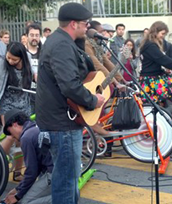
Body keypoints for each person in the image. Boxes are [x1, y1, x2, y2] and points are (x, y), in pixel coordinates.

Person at [35, 3, 105, 204]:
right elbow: (70, 86)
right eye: (85, 23)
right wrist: (93, 100)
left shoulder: (63, 42)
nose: (88, 26)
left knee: (69, 177)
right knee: (66, 180)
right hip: (62, 123)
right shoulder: (61, 45)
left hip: (62, 120)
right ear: (73, 24)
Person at [139, 21, 172, 115]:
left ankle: (170, 108)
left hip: (152, 77)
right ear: (155, 32)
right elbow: (163, 59)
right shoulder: (150, 45)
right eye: (162, 33)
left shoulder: (148, 43)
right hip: (151, 80)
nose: (163, 36)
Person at [2, 109, 53, 204]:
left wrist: (17, 196)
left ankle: (65, 197)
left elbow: (31, 172)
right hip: (61, 170)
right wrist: (18, 189)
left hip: (54, 174)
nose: (12, 136)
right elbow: (37, 168)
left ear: (15, 124)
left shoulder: (26, 137)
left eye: (10, 132)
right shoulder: (36, 127)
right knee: (27, 194)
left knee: (25, 202)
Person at [0, 41, 32, 182]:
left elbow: (35, 79)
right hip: (7, 107)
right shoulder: (3, 66)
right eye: (9, 57)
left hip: (24, 107)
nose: (10, 61)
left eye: (14, 59)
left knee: (22, 139)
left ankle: (18, 172)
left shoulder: (28, 64)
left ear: (21, 58)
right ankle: (1, 161)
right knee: (11, 135)